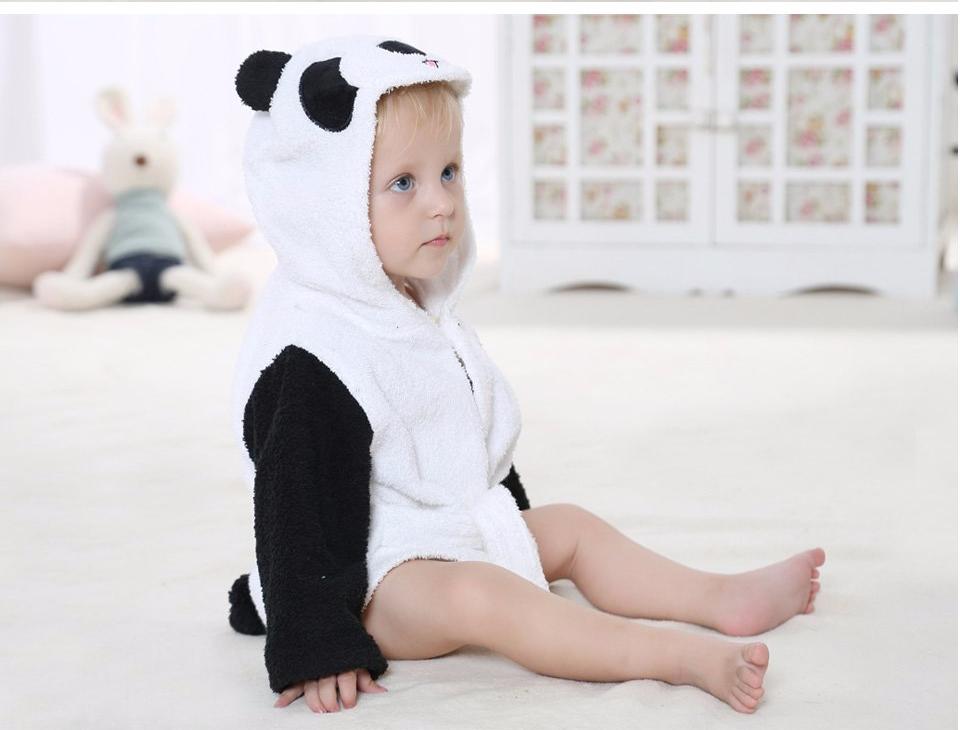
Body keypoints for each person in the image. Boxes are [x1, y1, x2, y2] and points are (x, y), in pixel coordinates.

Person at [226, 36, 826, 717]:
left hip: (440, 531)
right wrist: (316, 642)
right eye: (404, 183)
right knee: (482, 595)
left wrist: (508, 526)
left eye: (448, 172)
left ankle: (719, 596)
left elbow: (460, 438)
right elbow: (292, 508)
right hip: (370, 576)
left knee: (571, 526)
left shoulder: (417, 310)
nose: (440, 203)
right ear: (324, 205)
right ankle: (676, 657)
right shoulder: (315, 355)